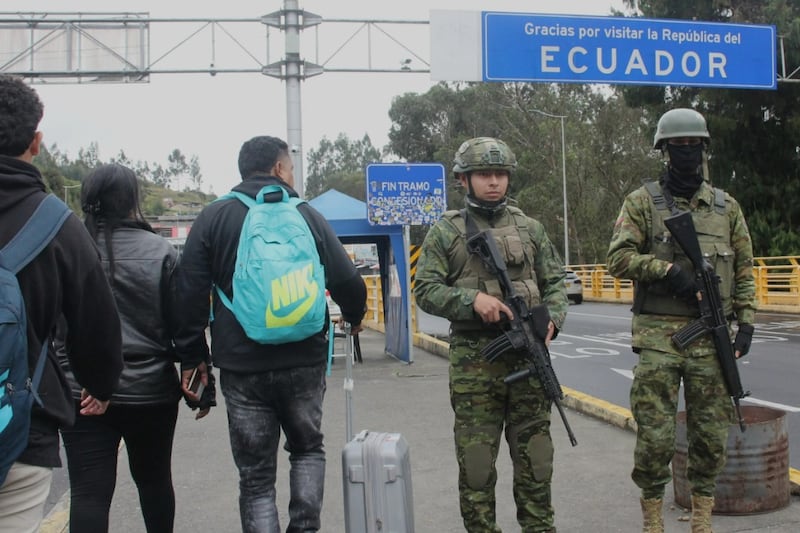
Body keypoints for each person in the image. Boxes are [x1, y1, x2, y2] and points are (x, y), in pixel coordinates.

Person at [173, 135, 367, 533]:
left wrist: (195, 358)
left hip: (242, 366)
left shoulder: (214, 217)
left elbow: (187, 293)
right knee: (308, 450)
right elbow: (348, 279)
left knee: (256, 477)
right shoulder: (306, 213)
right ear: (280, 169)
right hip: (304, 360)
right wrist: (354, 315)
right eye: (290, 169)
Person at [606, 108, 756, 533]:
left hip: (713, 337)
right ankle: (653, 520)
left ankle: (702, 519)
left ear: (703, 149)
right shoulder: (642, 202)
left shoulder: (727, 208)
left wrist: (745, 323)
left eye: (694, 146)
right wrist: (669, 272)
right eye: (679, 146)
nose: (687, 154)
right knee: (654, 437)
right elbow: (617, 258)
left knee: (711, 435)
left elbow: (745, 269)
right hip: (658, 338)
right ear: (665, 151)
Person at [413, 137, 568, 533]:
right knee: (478, 468)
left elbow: (555, 284)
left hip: (530, 363)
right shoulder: (446, 232)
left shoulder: (530, 229)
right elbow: (425, 290)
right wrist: (472, 301)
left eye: (500, 174)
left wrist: (552, 320)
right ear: (464, 180)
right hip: (474, 365)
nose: (494, 182)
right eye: (484, 174)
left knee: (537, 463)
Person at [0, 74, 123, 532]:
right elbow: (95, 324)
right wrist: (100, 385)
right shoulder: (56, 224)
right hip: (18, 428)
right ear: (36, 142)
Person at [55, 163, 193, 532]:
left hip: (79, 390)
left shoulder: (69, 249)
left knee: (88, 493)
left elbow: (55, 326)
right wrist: (195, 371)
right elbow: (183, 326)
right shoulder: (162, 252)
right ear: (131, 200)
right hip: (150, 391)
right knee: (154, 482)